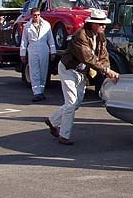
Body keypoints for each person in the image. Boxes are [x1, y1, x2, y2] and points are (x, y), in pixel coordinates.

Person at [46, 9, 119, 145]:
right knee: (71, 103)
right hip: (68, 70)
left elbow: (104, 56)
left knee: (77, 103)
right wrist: (107, 71)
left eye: (104, 24)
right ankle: (64, 135)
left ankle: (52, 121)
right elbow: (88, 58)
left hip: (81, 73)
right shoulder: (80, 35)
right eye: (100, 24)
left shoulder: (101, 37)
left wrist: (108, 70)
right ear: (92, 24)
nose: (103, 26)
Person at [20, 7, 56, 102]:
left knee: (43, 70)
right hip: (32, 48)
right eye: (35, 15)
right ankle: (37, 92)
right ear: (32, 15)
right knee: (34, 71)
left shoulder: (46, 25)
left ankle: (41, 91)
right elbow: (24, 40)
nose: (37, 17)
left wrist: (53, 51)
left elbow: (50, 39)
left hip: (43, 48)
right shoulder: (27, 26)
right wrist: (22, 53)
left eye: (38, 15)